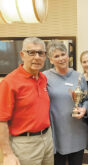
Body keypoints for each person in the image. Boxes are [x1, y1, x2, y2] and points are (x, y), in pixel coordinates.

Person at [0, 37, 53, 165]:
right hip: (25, 144)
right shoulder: (9, 82)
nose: (37, 57)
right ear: (22, 55)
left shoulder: (43, 78)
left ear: (45, 56)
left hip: (47, 139)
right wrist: (7, 154)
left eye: (41, 53)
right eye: (31, 52)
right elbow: (1, 121)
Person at [43, 41, 88, 165]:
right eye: (56, 56)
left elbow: (86, 100)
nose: (61, 58)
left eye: (63, 54)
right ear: (51, 60)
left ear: (68, 56)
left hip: (76, 130)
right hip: (56, 133)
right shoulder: (44, 77)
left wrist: (84, 109)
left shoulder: (79, 76)